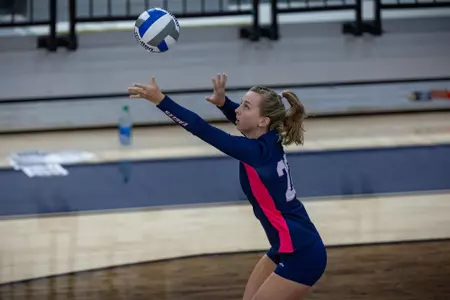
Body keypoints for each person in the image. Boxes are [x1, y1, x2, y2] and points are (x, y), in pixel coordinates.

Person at [128, 74, 327, 300]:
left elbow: (201, 128)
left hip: (302, 253)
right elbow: (245, 122)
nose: (239, 110)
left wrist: (161, 100)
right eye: (240, 104)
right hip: (287, 246)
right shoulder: (268, 138)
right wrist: (224, 104)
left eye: (246, 106)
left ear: (264, 120)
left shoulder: (255, 153)